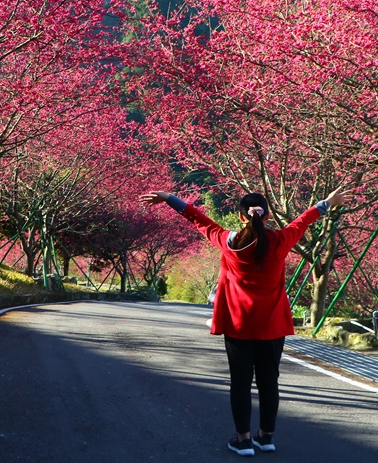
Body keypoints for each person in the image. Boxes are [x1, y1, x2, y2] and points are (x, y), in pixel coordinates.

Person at [139, 187, 347, 457]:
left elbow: (197, 218)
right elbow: (304, 220)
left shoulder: (227, 242)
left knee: (240, 382)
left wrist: (168, 198)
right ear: (268, 215)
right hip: (272, 325)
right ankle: (267, 436)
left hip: (238, 324)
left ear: (240, 217)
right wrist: (327, 203)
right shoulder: (281, 240)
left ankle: (244, 439)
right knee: (269, 381)